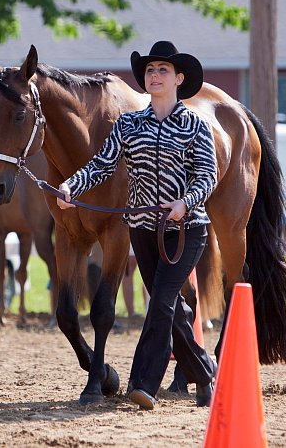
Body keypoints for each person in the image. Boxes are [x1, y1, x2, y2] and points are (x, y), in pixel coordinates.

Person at [57, 40, 217, 410]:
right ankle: (206, 373)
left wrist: (184, 202)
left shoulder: (195, 125)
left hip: (186, 228)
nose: (155, 75)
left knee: (160, 302)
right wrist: (70, 186)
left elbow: (207, 176)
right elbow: (103, 164)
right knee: (171, 307)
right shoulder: (129, 124)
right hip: (143, 230)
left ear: (179, 78)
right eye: (149, 71)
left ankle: (144, 383)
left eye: (162, 70)